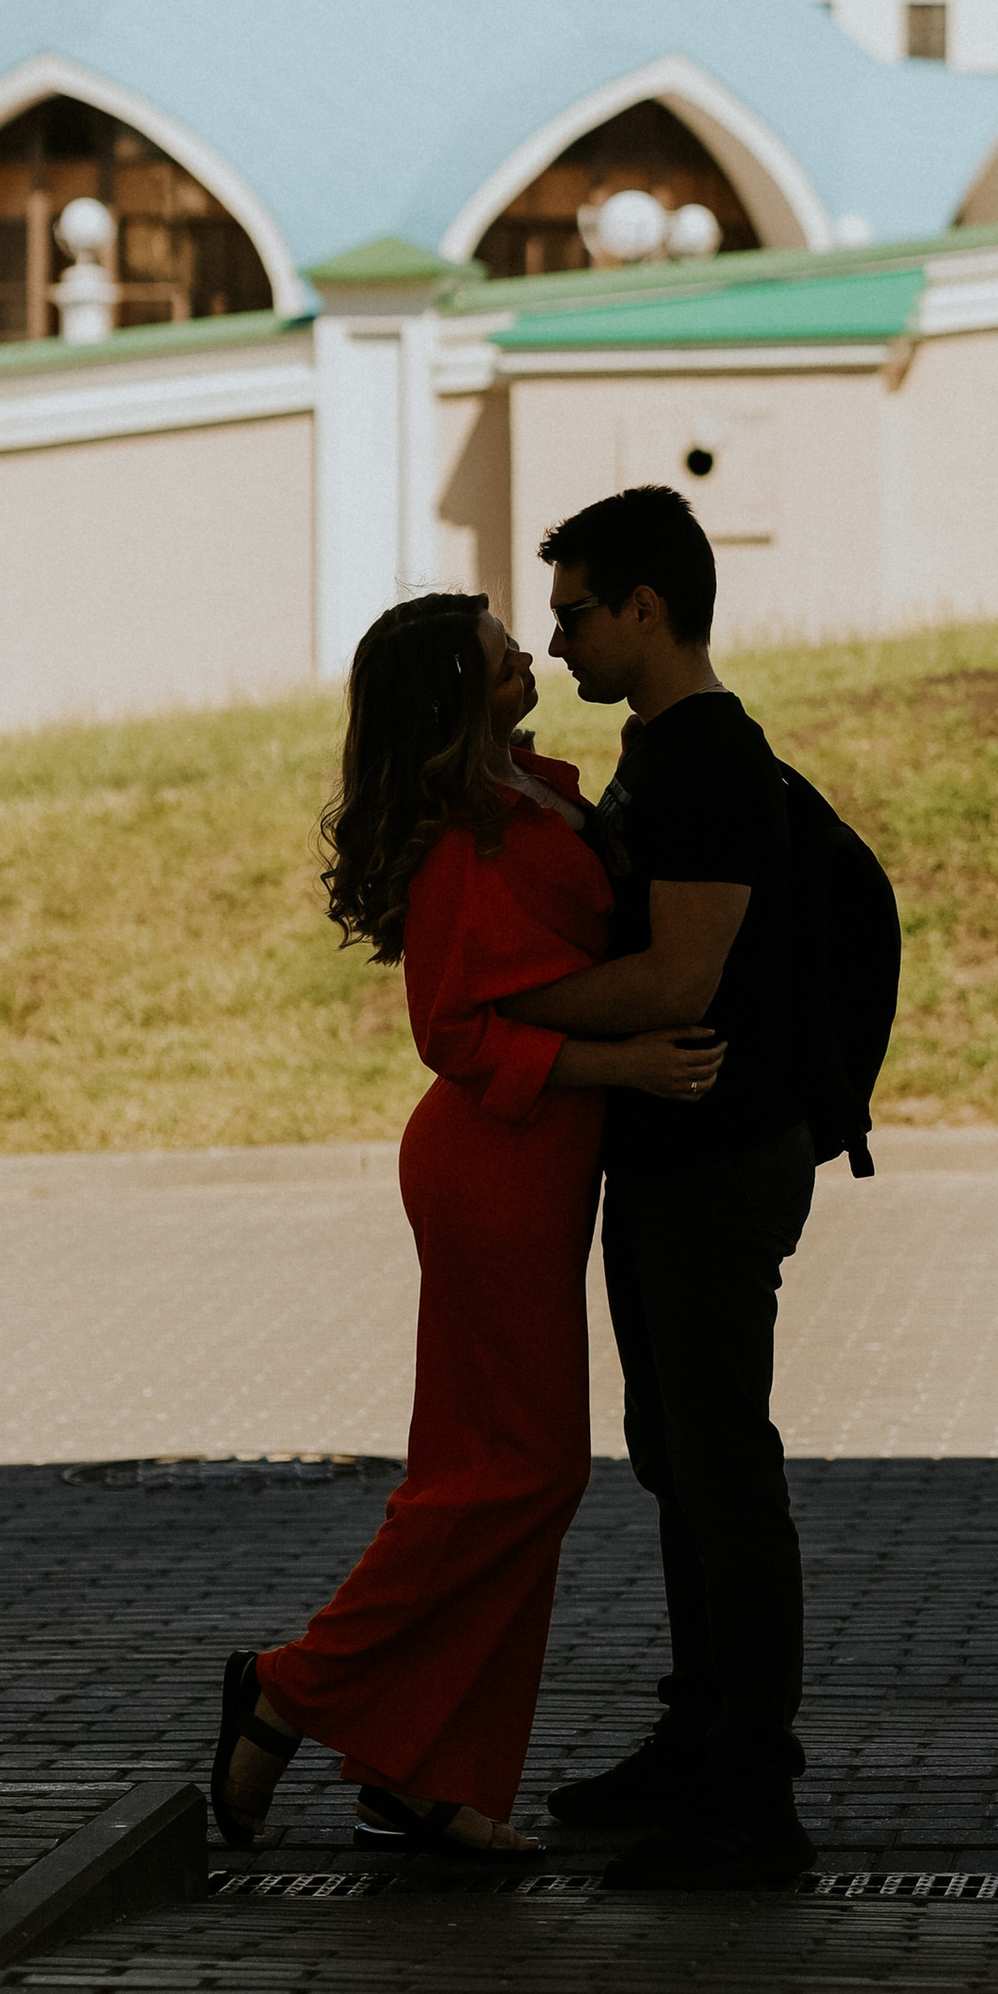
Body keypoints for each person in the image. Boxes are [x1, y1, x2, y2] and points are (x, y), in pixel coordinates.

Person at [210, 589, 723, 1864]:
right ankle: (291, 1689)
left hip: (536, 1165)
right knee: (509, 1474)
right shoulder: (463, 838)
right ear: (455, 690)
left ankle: (425, 1774)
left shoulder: (530, 791)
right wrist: (629, 1066)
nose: (527, 648)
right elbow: (456, 1028)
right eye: (501, 647)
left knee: (509, 1472)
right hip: (495, 1164)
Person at [505, 483, 819, 1891]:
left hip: (714, 1154)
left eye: (575, 611)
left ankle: (750, 1791)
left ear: (646, 608)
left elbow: (681, 976)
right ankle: (698, 1743)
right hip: (671, 1155)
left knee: (723, 1469)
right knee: (678, 1462)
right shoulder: (656, 752)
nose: (557, 636)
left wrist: (502, 1011)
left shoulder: (707, 763)